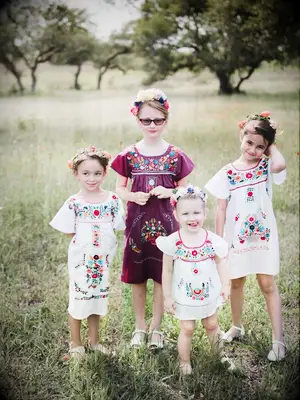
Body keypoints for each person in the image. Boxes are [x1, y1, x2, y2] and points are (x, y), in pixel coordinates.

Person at [110, 88, 195, 349]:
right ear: (137, 120)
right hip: (137, 225)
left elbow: (186, 190)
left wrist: (170, 191)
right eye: (146, 120)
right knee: (138, 278)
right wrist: (132, 196)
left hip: (167, 227)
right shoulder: (129, 154)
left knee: (161, 276)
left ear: (166, 120)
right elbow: (120, 188)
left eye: (158, 120)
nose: (152, 125)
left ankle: (156, 329)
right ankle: (139, 328)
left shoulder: (175, 154)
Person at [205, 111, 287, 361]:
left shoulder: (266, 166)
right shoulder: (227, 172)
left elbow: (281, 165)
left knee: (267, 284)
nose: (253, 149)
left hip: (263, 239)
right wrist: (219, 242)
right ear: (241, 136)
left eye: (260, 146)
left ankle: (279, 341)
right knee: (237, 281)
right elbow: (221, 208)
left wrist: (270, 147)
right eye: (249, 142)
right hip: (236, 239)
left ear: (267, 148)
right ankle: (237, 326)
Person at [50, 146, 125, 359]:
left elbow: (117, 226)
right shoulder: (74, 202)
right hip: (81, 260)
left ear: (105, 173)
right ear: (76, 174)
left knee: (97, 298)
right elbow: (69, 230)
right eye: (85, 173)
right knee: (79, 297)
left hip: (102, 261)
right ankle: (75, 343)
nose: (91, 178)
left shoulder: (111, 200)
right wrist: (86, 244)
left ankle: (94, 342)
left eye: (97, 173)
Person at [156, 185, 235, 374]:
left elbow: (220, 263)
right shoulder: (173, 242)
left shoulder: (211, 240)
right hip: (184, 294)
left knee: (212, 324)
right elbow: (167, 271)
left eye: (197, 212)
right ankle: (184, 361)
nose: (192, 218)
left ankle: (220, 355)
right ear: (175, 215)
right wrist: (167, 297)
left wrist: (225, 284)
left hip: (208, 291)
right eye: (185, 214)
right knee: (188, 328)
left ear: (205, 212)